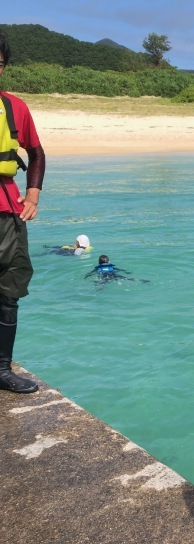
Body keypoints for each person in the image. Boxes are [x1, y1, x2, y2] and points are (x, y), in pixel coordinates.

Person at [0, 29, 46, 394]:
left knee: (9, 289)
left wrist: (32, 194)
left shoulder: (15, 107)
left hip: (8, 213)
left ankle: (1, 369)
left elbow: (37, 152)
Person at [84, 255, 149, 285]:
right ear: (109, 262)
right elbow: (120, 270)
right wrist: (127, 272)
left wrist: (86, 277)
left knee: (102, 283)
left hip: (104, 276)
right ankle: (138, 280)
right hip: (113, 274)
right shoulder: (112, 267)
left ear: (99, 263)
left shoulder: (97, 268)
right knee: (126, 278)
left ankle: (100, 289)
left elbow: (90, 273)